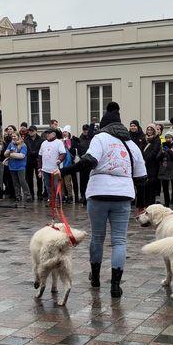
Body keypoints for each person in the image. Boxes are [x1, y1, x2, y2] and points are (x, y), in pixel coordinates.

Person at [58, 101, 146, 297]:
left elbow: (89, 161)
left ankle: (96, 278)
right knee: (119, 241)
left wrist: (64, 171)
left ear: (105, 125)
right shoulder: (132, 145)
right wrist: (141, 205)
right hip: (123, 195)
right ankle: (115, 285)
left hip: (98, 193)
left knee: (98, 237)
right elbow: (141, 178)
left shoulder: (100, 138)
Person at [38, 127, 66, 202]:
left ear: (53, 134)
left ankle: (58, 200)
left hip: (55, 169)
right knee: (47, 185)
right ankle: (51, 199)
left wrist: (59, 160)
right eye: (46, 133)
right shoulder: (44, 143)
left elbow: (63, 153)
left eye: (48, 133)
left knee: (56, 185)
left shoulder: (58, 142)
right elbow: (40, 156)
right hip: (45, 168)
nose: (47, 135)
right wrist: (39, 167)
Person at [4, 130, 32, 203]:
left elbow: (22, 155)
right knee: (15, 182)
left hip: (20, 166)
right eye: (12, 136)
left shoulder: (23, 145)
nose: (13, 137)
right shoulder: (10, 144)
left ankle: (28, 195)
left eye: (15, 136)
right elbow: (6, 153)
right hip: (12, 166)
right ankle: (18, 196)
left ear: (18, 136)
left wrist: (12, 154)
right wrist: (8, 153)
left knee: (22, 181)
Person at [138, 124, 161, 210]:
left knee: (151, 185)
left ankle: (150, 205)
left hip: (152, 165)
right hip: (144, 165)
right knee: (146, 185)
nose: (149, 131)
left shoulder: (156, 139)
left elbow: (154, 152)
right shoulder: (145, 139)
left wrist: (146, 159)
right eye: (148, 130)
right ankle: (146, 204)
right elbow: (141, 149)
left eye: (151, 130)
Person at [24, 125, 43, 201]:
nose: (31, 132)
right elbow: (25, 149)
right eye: (30, 131)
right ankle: (31, 193)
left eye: (32, 131)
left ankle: (39, 194)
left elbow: (41, 150)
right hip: (29, 160)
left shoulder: (41, 139)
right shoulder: (26, 139)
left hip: (37, 160)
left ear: (36, 131)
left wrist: (35, 152)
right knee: (29, 178)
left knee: (39, 178)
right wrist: (30, 153)